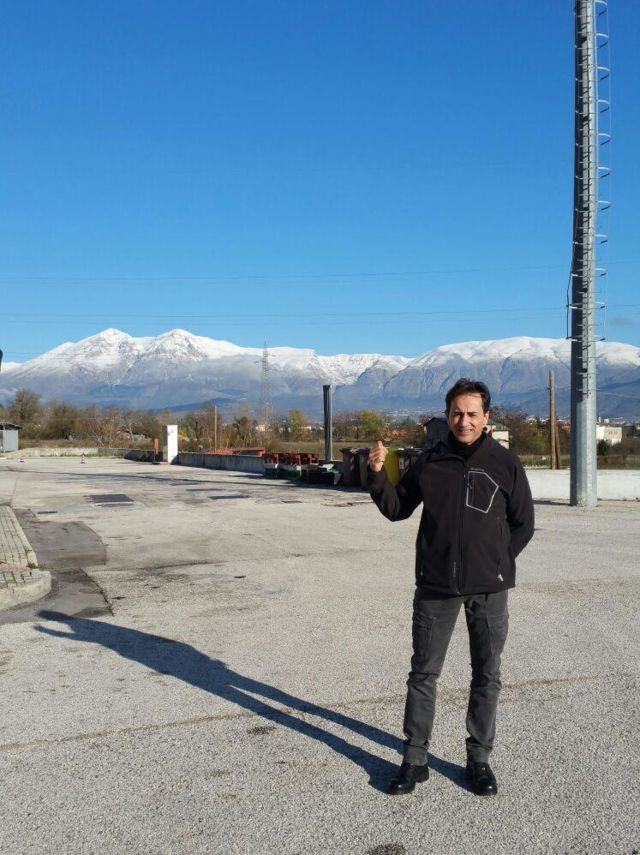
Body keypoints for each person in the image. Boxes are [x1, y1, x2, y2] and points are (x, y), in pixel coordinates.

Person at [367, 378, 534, 796]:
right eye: (457, 413)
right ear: (447, 415)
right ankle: (414, 760)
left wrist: (496, 564)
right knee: (423, 674)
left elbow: (523, 523)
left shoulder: (505, 463)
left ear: (486, 417)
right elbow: (396, 508)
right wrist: (377, 476)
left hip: (489, 590)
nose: (464, 421)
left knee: (487, 674)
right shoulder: (430, 461)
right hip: (436, 587)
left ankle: (478, 760)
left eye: (472, 414)